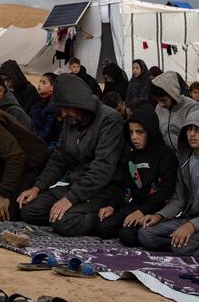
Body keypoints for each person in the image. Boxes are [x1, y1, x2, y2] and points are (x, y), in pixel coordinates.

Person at [17, 74, 125, 236]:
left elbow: (102, 169)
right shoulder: (71, 120)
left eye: (66, 108)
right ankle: (68, 212)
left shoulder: (109, 120)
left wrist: (70, 199)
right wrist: (37, 187)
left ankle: (102, 218)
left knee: (63, 223)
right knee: (29, 210)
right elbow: (59, 159)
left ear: (79, 103)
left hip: (102, 190)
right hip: (75, 185)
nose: (64, 113)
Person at [137, 110, 199, 257]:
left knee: (180, 248)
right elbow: (178, 199)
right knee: (145, 234)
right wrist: (160, 215)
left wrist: (192, 226)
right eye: (189, 129)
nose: (192, 134)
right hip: (188, 218)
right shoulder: (184, 160)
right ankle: (181, 243)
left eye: (198, 130)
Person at [96, 103, 178, 246]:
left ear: (151, 131)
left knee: (127, 236)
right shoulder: (131, 154)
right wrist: (112, 206)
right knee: (103, 227)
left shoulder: (166, 155)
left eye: (140, 132)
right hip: (135, 203)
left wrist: (142, 211)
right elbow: (126, 186)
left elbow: (165, 191)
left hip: (157, 208)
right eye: (131, 132)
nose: (134, 137)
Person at [152, 70, 199, 154]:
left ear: (173, 94)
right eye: (157, 100)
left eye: (164, 100)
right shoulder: (158, 108)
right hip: (167, 159)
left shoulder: (192, 108)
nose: (161, 105)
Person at [29, 72, 60, 146]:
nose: (39, 85)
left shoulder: (54, 106)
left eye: (43, 83)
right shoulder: (37, 102)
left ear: (52, 87)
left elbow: (47, 133)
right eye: (39, 82)